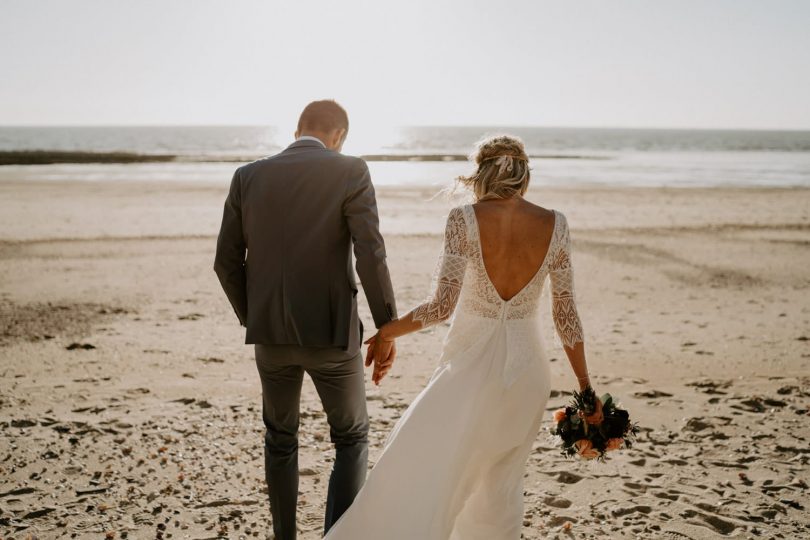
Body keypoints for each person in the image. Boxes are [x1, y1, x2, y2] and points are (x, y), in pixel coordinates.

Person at [323, 134, 600, 540]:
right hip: (527, 374)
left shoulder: (464, 219)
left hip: (468, 370)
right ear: (524, 174)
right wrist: (585, 388)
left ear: (481, 173)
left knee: (430, 471)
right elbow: (566, 315)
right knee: (502, 485)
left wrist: (387, 332)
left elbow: (441, 307)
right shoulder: (555, 224)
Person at [213, 99, 398, 540]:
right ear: (340, 136)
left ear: (297, 130)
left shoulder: (247, 176)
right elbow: (371, 255)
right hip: (333, 336)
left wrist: (256, 316)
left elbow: (225, 263)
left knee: (280, 438)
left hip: (270, 337)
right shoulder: (351, 170)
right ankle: (335, 535)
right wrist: (386, 328)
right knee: (351, 438)